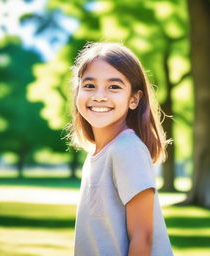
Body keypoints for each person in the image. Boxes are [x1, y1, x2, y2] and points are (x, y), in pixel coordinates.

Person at [67, 42, 174, 256]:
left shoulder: (127, 149)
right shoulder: (98, 153)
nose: (99, 96)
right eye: (89, 85)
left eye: (113, 87)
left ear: (134, 99)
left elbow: (142, 237)